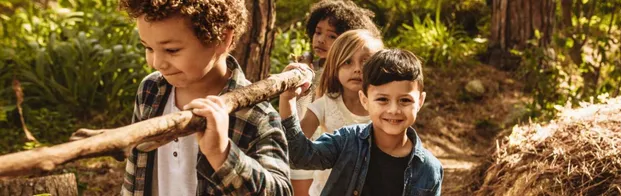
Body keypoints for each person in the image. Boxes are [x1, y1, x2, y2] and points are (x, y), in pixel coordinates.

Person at [118, 0, 291, 195]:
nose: (156, 63)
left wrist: (222, 154)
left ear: (222, 38)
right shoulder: (150, 91)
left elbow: (281, 191)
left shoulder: (257, 115)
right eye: (148, 48)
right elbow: (134, 175)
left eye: (171, 50)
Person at [281, 49, 444, 196]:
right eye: (382, 99)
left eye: (405, 100)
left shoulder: (429, 169)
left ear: (420, 101)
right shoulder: (347, 141)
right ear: (364, 100)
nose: (394, 110)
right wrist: (288, 99)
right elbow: (299, 157)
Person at [290, 1, 381, 194]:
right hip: (313, 152)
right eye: (318, 32)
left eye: (332, 36)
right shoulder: (306, 68)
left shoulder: (376, 99)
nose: (321, 40)